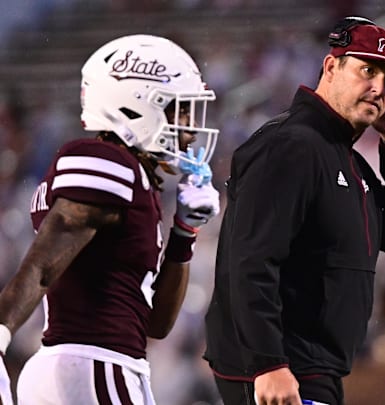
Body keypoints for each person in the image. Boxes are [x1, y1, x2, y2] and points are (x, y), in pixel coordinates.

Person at [203, 16, 385, 405]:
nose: (379, 88)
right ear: (330, 67)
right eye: (367, 70)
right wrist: (267, 364)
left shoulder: (342, 157)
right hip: (280, 371)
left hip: (310, 368)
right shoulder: (292, 145)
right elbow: (250, 260)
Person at [0, 34, 221, 404]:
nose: (188, 128)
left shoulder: (135, 180)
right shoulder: (106, 161)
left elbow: (156, 324)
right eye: (179, 110)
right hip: (91, 364)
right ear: (135, 105)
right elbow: (42, 264)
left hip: (96, 366)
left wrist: (184, 232)